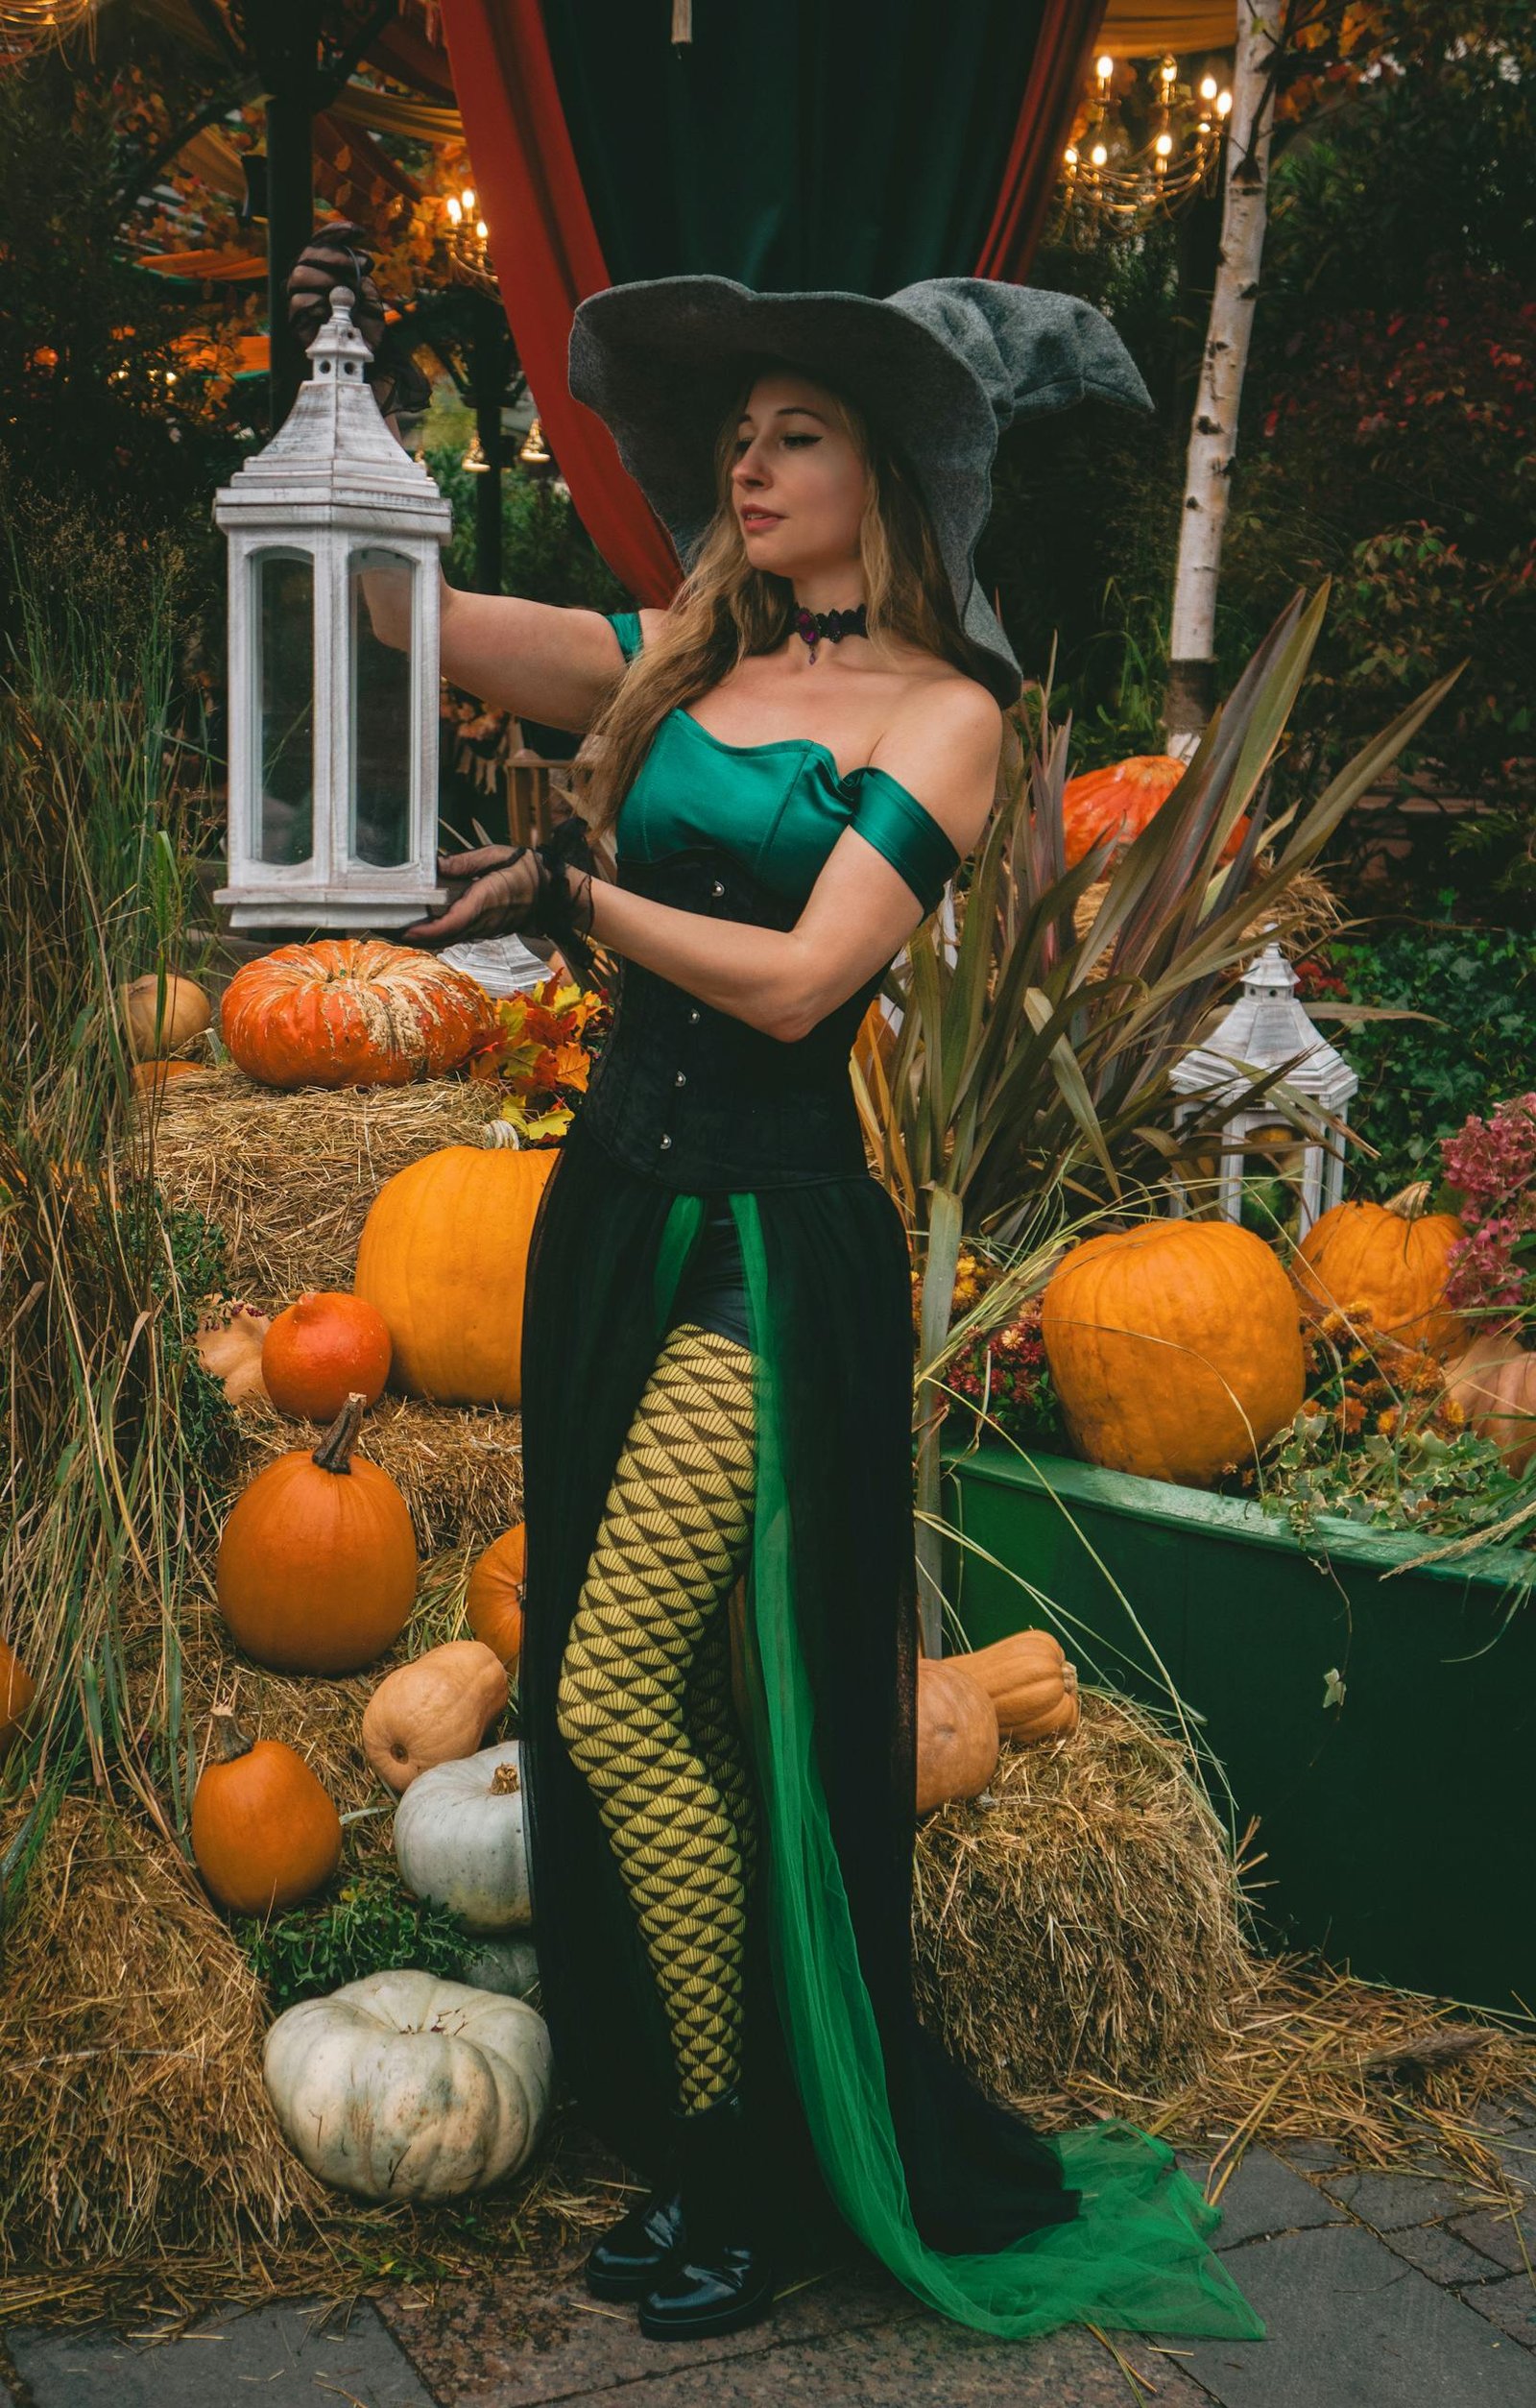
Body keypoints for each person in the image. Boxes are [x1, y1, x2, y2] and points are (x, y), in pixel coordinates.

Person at [289, 239, 1263, 2355]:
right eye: (730, 436)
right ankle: (707, 2137)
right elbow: (397, 608)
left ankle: (756, 2163)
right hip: (608, 1227)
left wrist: (576, 894)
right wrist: (341, 412)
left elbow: (814, 976)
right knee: (612, 1691)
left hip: (762, 1245)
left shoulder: (948, 714)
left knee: (634, 1678)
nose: (746, 461)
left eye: (791, 433)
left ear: (886, 475)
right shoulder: (667, 668)